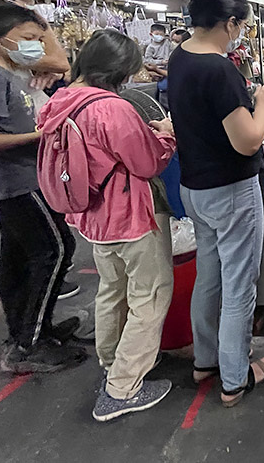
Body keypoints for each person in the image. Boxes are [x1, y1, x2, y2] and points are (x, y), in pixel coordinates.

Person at [38, 29, 177, 422]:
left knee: (112, 290)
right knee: (149, 297)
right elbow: (146, 163)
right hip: (131, 215)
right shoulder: (110, 108)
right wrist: (165, 138)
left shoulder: (61, 101)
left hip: (92, 217)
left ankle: (113, 359)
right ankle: (122, 388)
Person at [167, 0, 264, 407]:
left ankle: (205, 359)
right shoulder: (219, 70)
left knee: (211, 275)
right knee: (239, 286)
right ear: (229, 23)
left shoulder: (179, 57)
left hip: (195, 187)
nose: (239, 33)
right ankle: (235, 377)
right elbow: (248, 141)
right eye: (239, 26)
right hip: (230, 190)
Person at [0, 3, 85, 374]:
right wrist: (40, 136)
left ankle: (30, 330)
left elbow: (59, 62)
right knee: (56, 250)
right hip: (16, 181)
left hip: (24, 176)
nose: (36, 46)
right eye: (28, 39)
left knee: (18, 257)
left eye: (38, 38)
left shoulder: (14, 72)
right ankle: (29, 345)